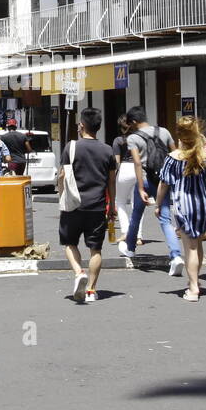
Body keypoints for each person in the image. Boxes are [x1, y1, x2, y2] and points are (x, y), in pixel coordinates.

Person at [153, 116, 206, 301]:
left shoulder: (173, 158)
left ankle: (193, 288)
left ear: (179, 134)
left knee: (190, 247)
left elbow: (164, 184)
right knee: (197, 243)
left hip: (185, 205)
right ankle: (195, 280)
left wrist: (158, 204)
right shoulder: (204, 155)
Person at [59, 108, 117, 304]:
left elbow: (62, 176)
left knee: (69, 243)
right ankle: (91, 290)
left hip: (73, 205)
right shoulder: (108, 150)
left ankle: (78, 272)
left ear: (82, 125)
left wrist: (61, 195)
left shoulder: (71, 147)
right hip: (98, 206)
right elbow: (111, 182)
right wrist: (112, 207)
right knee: (96, 250)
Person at [119, 106, 183, 276]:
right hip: (164, 180)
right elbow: (175, 153)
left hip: (147, 179)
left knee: (136, 214)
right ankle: (176, 255)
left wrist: (140, 188)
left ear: (133, 122)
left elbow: (138, 163)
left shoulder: (133, 138)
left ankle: (130, 249)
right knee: (165, 218)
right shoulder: (164, 131)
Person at [111, 116, 144, 254]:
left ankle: (125, 231)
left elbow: (116, 161)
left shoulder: (118, 140)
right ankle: (138, 235)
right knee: (137, 203)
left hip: (124, 169)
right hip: (139, 169)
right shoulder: (140, 139)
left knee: (120, 202)